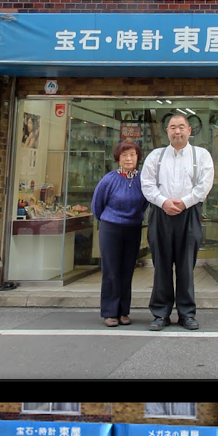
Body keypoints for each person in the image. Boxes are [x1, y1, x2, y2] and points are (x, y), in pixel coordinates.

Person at [140, 112, 214, 331]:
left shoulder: (201, 155)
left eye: (181, 127)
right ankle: (160, 314)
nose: (177, 131)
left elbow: (204, 185)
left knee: (186, 266)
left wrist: (184, 203)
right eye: (173, 127)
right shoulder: (156, 156)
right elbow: (147, 184)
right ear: (167, 131)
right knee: (161, 265)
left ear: (189, 130)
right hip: (160, 213)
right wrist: (163, 202)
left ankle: (186, 314)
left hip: (189, 213)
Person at [92, 139, 148, 328]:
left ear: (138, 157)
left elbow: (145, 203)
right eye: (124, 155)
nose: (128, 158)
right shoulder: (109, 179)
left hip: (133, 228)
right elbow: (97, 205)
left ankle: (124, 311)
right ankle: (110, 312)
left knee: (127, 270)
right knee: (111, 271)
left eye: (132, 154)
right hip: (111, 228)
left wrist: (135, 217)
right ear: (118, 158)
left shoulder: (142, 179)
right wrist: (109, 219)